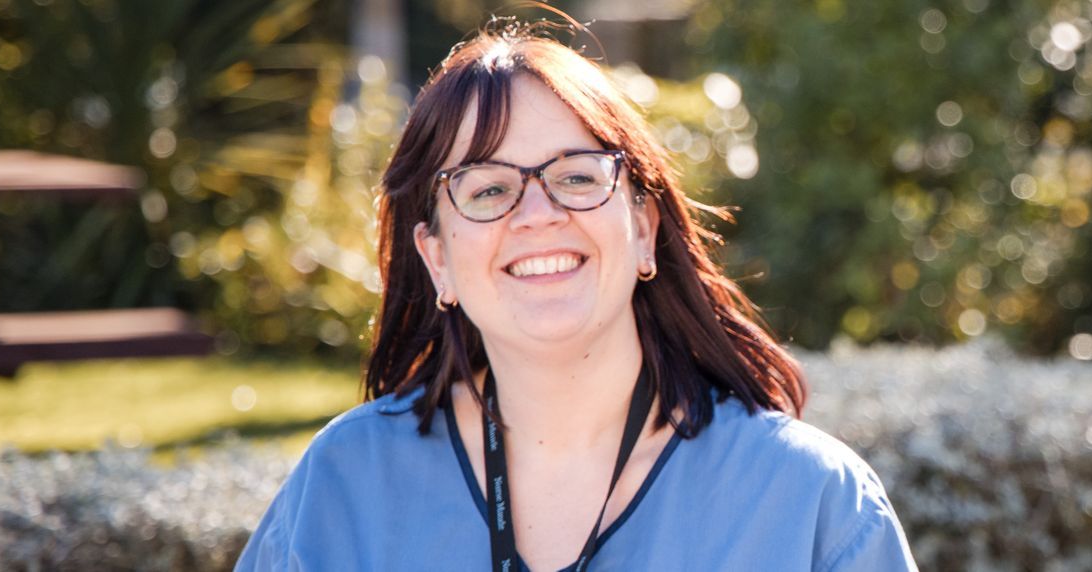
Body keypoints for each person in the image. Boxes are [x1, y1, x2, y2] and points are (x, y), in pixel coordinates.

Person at [234, 16, 917, 572]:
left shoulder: (807, 502)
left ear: (645, 230)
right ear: (436, 260)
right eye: (489, 189)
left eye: (578, 176)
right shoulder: (343, 488)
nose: (537, 215)